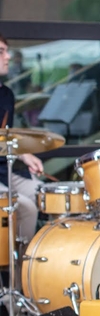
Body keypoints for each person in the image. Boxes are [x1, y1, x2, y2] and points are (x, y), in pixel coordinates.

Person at [0, 34, 44, 245]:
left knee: (45, 196)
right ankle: (17, 271)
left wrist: (26, 155)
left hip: (6, 170)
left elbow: (5, 135)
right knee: (26, 208)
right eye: (1, 52)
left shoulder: (6, 94)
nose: (7, 56)